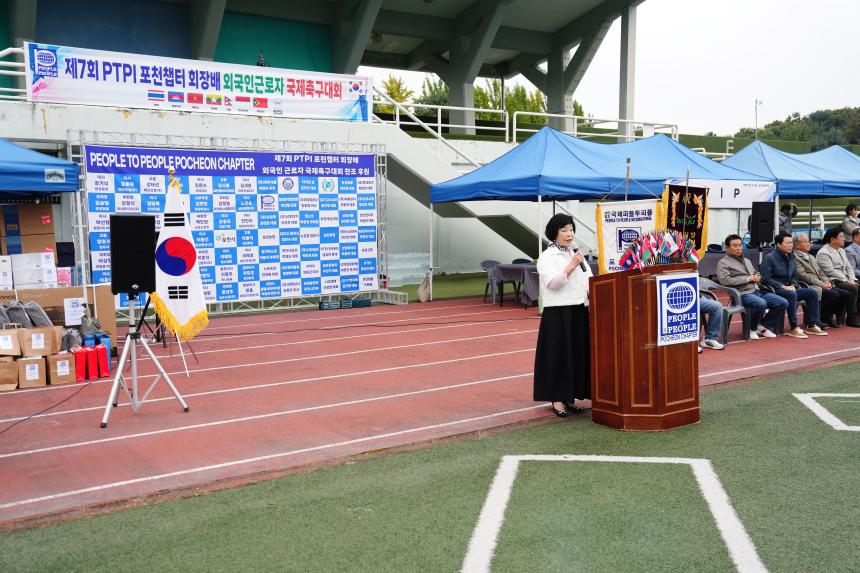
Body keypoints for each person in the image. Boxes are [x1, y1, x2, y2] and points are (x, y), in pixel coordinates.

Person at [534, 213, 593, 417]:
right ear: (554, 233)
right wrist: (570, 267)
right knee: (557, 356)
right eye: (564, 230)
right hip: (558, 312)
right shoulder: (547, 256)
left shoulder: (575, 252)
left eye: (571, 229)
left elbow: (588, 278)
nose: (569, 234)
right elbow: (553, 284)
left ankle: (570, 396)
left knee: (576, 354)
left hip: (578, 309)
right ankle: (557, 398)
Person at [716, 234, 787, 339]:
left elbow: (755, 273)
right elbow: (725, 281)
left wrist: (758, 277)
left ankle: (762, 326)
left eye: (740, 245)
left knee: (782, 303)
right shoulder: (723, 263)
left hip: (757, 291)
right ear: (727, 248)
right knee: (761, 303)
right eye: (735, 246)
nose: (739, 248)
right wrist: (747, 279)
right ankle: (751, 329)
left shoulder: (747, 261)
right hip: (741, 294)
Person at [759, 233, 826, 337]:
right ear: (779, 244)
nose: (790, 245)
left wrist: (794, 284)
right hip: (774, 289)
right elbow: (765, 278)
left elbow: (793, 276)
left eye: (791, 243)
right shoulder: (770, 258)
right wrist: (782, 286)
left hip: (789, 289)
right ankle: (793, 327)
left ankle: (812, 324)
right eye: (787, 243)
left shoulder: (792, 257)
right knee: (791, 294)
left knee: (812, 292)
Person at [794, 234, 851, 328]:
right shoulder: (795, 257)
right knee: (833, 294)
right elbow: (803, 276)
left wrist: (826, 281)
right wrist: (821, 284)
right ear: (797, 245)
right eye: (805, 242)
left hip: (820, 283)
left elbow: (820, 271)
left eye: (809, 242)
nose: (808, 244)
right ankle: (821, 318)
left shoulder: (810, 256)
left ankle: (828, 316)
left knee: (845, 294)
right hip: (809, 285)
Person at [816, 227, 860, 327]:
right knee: (853, 288)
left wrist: (852, 278)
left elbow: (849, 267)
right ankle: (851, 318)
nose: (844, 239)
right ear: (833, 239)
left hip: (844, 278)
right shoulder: (824, 252)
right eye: (841, 237)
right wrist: (847, 280)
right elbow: (830, 271)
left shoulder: (841, 250)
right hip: (832, 280)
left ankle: (855, 314)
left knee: (856, 284)